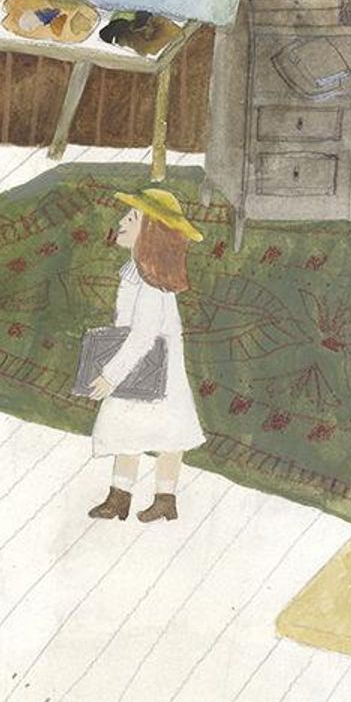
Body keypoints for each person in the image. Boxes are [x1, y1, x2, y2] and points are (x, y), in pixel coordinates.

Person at [85, 187, 204, 523]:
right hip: (142, 366)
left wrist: (111, 375)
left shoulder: (152, 284)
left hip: (155, 370)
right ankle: (120, 497)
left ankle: (164, 499)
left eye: (132, 218)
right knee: (129, 427)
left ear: (151, 231)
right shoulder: (138, 273)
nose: (122, 222)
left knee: (168, 431)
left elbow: (142, 335)